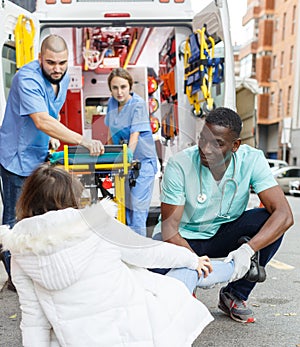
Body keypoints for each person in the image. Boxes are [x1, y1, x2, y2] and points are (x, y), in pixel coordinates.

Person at [0, 163, 221, 347]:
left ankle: (230, 266)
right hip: (132, 331)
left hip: (76, 339)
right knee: (181, 278)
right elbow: (147, 252)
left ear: (28, 199)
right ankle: (233, 266)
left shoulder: (20, 248)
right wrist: (191, 258)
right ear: (72, 196)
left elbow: (34, 318)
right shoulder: (97, 224)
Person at [153, 107, 294, 323]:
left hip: (223, 233)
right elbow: (170, 231)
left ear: (235, 145)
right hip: (182, 237)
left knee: (271, 222)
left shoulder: (252, 160)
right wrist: (196, 265)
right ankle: (186, 289)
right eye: (203, 139)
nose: (206, 149)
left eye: (218, 143)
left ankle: (235, 294)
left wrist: (248, 250)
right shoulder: (179, 164)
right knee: (154, 292)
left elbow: (284, 215)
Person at [0, 35, 104, 285]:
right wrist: (82, 140)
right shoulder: (26, 78)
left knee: (38, 216)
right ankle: (16, 278)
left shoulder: (62, 76)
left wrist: (50, 139)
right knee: (16, 221)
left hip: (37, 154)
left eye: (61, 63)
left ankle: (33, 269)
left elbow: (52, 113)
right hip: (16, 158)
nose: (56, 68)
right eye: (50, 63)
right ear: (39, 58)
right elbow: (41, 120)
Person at [105, 68, 158, 236]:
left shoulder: (138, 104)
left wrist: (125, 158)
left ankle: (140, 254)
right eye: (115, 88)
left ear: (130, 87)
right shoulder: (111, 103)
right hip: (124, 163)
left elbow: (134, 135)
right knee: (124, 208)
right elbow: (110, 132)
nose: (119, 92)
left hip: (142, 163)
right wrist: (108, 156)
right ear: (110, 88)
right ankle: (127, 250)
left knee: (137, 209)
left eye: (123, 87)